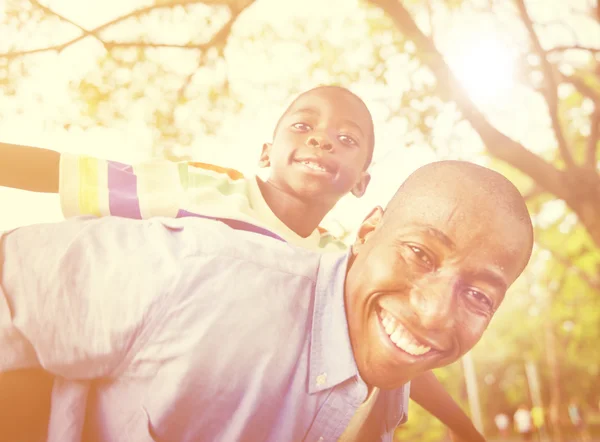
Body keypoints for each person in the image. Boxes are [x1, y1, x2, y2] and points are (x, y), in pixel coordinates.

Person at [0, 86, 483, 440]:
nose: (322, 140)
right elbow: (69, 172)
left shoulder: (338, 264)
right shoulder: (209, 190)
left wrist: (466, 429)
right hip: (83, 365)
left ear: (362, 182)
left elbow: (397, 347)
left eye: (346, 138)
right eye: (303, 125)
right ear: (266, 153)